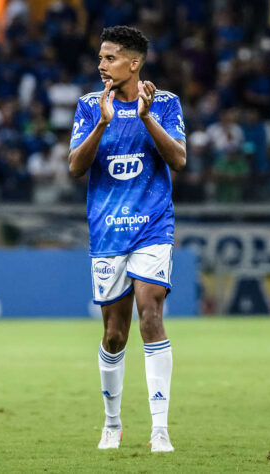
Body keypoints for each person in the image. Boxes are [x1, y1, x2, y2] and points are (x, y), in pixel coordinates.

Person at [68, 26, 186, 453]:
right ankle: (112, 422)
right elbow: (75, 167)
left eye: (109, 58)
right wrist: (101, 124)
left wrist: (146, 117)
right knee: (115, 333)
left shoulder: (166, 103)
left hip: (153, 227)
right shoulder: (87, 107)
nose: (101, 65)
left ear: (134, 63)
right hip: (107, 231)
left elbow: (179, 158)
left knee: (150, 313)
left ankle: (159, 429)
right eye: (100, 58)